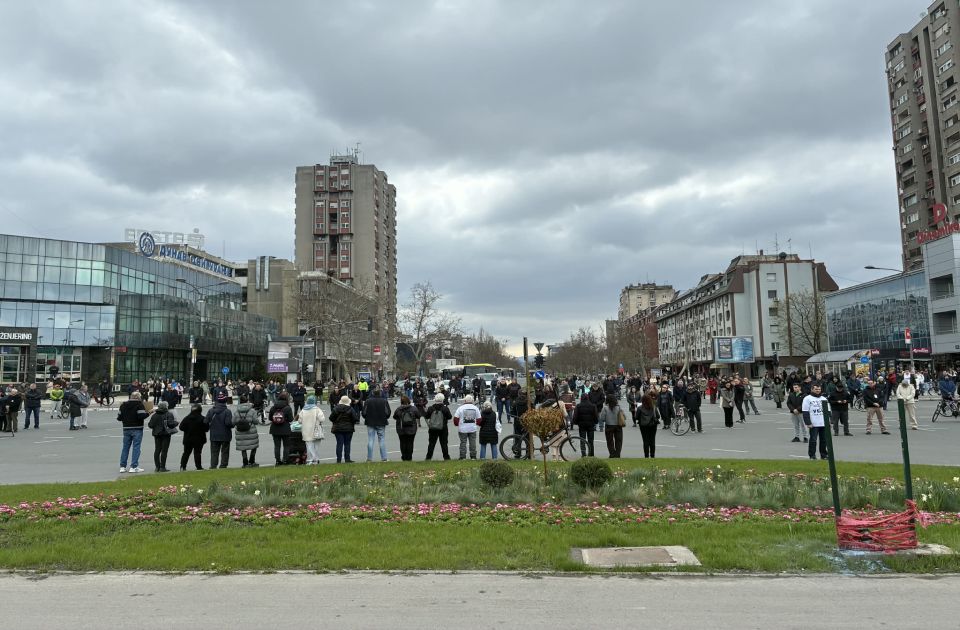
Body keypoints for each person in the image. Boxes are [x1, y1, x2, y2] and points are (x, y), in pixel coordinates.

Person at [117, 391, 148, 473]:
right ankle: (133, 466)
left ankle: (122, 466)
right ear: (138, 397)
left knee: (125, 448)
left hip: (126, 428)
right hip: (137, 428)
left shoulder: (123, 405)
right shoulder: (139, 405)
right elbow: (141, 416)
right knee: (136, 447)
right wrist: (149, 413)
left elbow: (119, 418)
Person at [147, 400, 177, 472]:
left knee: (157, 450)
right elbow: (171, 424)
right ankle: (162, 467)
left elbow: (150, 425)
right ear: (166, 407)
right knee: (164, 451)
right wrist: (176, 423)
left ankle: (157, 466)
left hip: (157, 434)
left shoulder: (155, 415)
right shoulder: (169, 414)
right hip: (166, 434)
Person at [362, 388, 392, 462]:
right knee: (381, 440)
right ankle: (384, 458)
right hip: (381, 421)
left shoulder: (368, 401)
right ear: (380, 393)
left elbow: (364, 413)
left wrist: (367, 418)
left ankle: (369, 458)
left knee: (370, 440)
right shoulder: (384, 401)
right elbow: (388, 412)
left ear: (372, 393)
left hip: (370, 421)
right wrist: (385, 417)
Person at [205, 394, 234, 469]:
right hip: (225, 434)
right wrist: (233, 424)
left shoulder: (211, 410)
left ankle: (213, 465)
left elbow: (205, 421)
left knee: (214, 452)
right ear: (225, 401)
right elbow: (228, 423)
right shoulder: (227, 411)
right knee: (225, 451)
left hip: (214, 434)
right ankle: (223, 465)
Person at [802, 384, 830, 460]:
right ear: (812, 389)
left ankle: (823, 455)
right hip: (813, 424)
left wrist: (829, 421)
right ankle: (812, 455)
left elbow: (828, 411)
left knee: (824, 440)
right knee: (813, 440)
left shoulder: (824, 398)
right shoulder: (807, 399)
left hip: (823, 423)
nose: (818, 391)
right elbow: (805, 411)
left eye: (819, 389)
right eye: (816, 389)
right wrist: (808, 423)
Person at [178, 403, 208, 471]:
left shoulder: (187, 418)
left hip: (188, 438)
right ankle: (198, 466)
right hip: (199, 438)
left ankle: (183, 466)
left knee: (186, 453)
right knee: (197, 453)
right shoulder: (202, 418)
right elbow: (206, 428)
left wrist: (187, 429)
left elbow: (181, 427)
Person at [234, 395, 261, 468]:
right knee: (253, 446)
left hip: (240, 431)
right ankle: (252, 461)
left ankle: (245, 462)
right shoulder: (252, 411)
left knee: (243, 448)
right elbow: (255, 421)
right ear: (247, 401)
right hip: (251, 430)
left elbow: (233, 422)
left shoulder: (236, 411)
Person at [268, 392, 295, 465]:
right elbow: (290, 419)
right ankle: (285, 460)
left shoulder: (273, 407)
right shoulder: (288, 408)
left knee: (277, 446)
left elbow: (270, 418)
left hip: (274, 428)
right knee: (286, 446)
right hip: (285, 428)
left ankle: (277, 461)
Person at [298, 394, 326, 465]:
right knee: (316, 446)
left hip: (306, 430)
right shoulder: (317, 409)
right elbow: (322, 419)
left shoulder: (303, 410)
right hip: (316, 430)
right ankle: (316, 459)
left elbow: (299, 421)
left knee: (309, 446)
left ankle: (311, 459)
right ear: (314, 402)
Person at [423, 393, 452, 461]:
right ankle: (446, 457)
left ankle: (428, 457)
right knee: (444, 443)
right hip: (443, 428)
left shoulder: (430, 408)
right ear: (442, 399)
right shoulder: (445, 408)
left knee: (431, 443)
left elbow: (426, 416)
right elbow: (450, 417)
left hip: (433, 428)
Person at [330, 395, 358, 463]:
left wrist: (336, 421)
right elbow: (355, 419)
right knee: (347, 444)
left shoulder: (336, 408)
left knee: (339, 444)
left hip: (338, 428)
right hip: (348, 428)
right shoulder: (350, 409)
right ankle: (347, 459)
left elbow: (331, 418)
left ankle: (338, 459)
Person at [454, 394, 481, 460]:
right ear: (472, 400)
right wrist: (476, 423)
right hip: (472, 428)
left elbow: (455, 419)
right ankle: (473, 456)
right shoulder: (475, 408)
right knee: (473, 442)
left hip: (463, 428)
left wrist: (458, 424)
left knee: (463, 442)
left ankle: (462, 456)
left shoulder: (460, 408)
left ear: (465, 400)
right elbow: (479, 419)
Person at [598, 394, 624, 458]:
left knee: (609, 441)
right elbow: (624, 416)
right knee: (618, 440)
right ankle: (617, 454)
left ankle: (612, 453)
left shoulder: (605, 408)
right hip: (618, 425)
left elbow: (602, 418)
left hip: (609, 426)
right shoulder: (618, 407)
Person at [635, 393, 660, 458]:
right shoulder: (653, 407)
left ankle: (646, 456)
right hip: (653, 425)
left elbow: (636, 417)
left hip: (643, 425)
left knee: (645, 440)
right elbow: (658, 416)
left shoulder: (640, 408)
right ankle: (652, 455)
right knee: (652, 440)